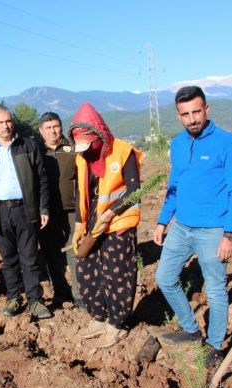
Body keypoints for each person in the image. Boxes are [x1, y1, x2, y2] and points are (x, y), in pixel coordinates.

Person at [154, 86, 232, 364]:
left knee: (216, 290)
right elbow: (174, 185)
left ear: (207, 110)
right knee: (164, 278)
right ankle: (191, 329)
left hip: (214, 230)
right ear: (178, 115)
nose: (192, 119)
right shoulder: (178, 144)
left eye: (197, 111)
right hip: (181, 227)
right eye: (185, 114)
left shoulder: (227, 143)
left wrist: (229, 234)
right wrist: (162, 220)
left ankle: (216, 345)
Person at [69, 103, 144, 348]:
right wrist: (80, 225)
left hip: (119, 221)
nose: (87, 152)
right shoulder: (82, 158)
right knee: (87, 269)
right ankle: (99, 317)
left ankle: (116, 324)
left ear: (99, 136)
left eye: (90, 146)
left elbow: (135, 191)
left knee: (117, 272)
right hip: (93, 221)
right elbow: (81, 191)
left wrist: (110, 213)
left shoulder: (123, 151)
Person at [0, 106, 52, 320]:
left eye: (8, 121)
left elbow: (42, 179)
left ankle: (35, 300)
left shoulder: (28, 146)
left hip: (25, 210)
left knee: (30, 257)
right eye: (0, 123)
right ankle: (14, 297)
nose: (6, 126)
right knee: (9, 260)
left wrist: (43, 208)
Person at [38, 112, 79, 308]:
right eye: (48, 128)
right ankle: (61, 292)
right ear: (41, 131)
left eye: (56, 126)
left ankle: (79, 294)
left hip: (73, 208)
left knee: (75, 250)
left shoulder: (73, 149)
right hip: (47, 212)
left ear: (61, 127)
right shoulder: (36, 152)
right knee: (52, 253)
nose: (53, 131)